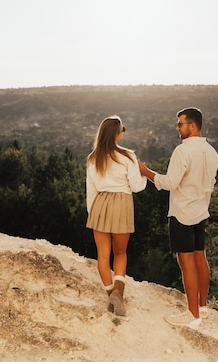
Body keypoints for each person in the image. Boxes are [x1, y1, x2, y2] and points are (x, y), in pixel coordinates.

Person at [138, 107, 218, 328]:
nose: (177, 128)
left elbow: (170, 183)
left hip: (183, 212)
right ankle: (202, 306)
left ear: (192, 126)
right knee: (200, 257)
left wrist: (146, 172)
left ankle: (192, 315)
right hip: (201, 211)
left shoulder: (182, 151)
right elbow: (210, 184)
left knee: (187, 263)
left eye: (180, 124)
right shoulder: (212, 152)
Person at [86, 115, 147, 316]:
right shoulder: (127, 156)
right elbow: (137, 187)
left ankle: (112, 295)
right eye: (123, 129)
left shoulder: (93, 158)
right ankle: (118, 294)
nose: (123, 132)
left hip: (100, 205)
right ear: (117, 134)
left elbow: (91, 191)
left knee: (103, 256)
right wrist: (144, 174)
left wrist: (93, 214)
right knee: (120, 253)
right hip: (122, 204)